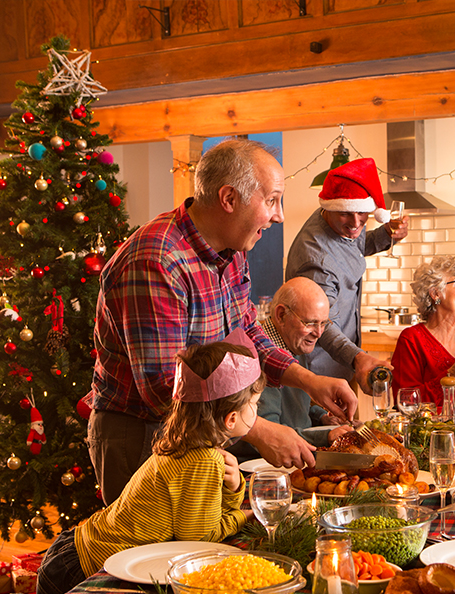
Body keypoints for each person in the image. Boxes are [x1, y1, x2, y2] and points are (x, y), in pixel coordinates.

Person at [88, 138, 357, 504]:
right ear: (229, 199)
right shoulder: (157, 261)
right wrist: (258, 430)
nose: (278, 215)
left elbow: (248, 336)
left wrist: (309, 381)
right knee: (151, 556)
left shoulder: (231, 251)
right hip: (143, 434)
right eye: (272, 199)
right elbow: (164, 388)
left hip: (201, 428)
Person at [0, 336, 263, 594]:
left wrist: (232, 490)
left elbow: (196, 523)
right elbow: (199, 542)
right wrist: (243, 513)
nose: (257, 410)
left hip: (76, 551)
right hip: (86, 568)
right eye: (255, 404)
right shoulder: (202, 460)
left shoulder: (183, 443)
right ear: (231, 419)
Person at [285, 157, 408, 392]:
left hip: (342, 365)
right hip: (318, 375)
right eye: (346, 215)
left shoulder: (337, 217)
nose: (355, 222)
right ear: (331, 208)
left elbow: (355, 244)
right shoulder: (317, 260)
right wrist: (359, 358)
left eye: (363, 213)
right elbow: (320, 325)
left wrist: (387, 234)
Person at [231, 277, 352, 461]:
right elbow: (268, 439)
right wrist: (325, 437)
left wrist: (322, 418)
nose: (319, 333)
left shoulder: (295, 343)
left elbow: (294, 412)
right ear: (281, 315)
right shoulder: (258, 361)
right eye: (310, 322)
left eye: (323, 323)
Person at [391, 255, 455, 418]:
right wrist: (452, 375)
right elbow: (406, 407)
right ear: (435, 293)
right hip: (433, 441)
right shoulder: (412, 340)